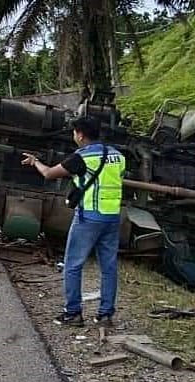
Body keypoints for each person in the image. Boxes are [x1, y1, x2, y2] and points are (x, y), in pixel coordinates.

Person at [21, 115, 125, 328]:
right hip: (112, 217)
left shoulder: (81, 157)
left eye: (74, 132)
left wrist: (35, 162)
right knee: (109, 267)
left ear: (80, 134)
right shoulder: (118, 156)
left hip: (88, 218)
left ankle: (73, 313)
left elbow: (50, 174)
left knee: (73, 264)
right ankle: (105, 316)